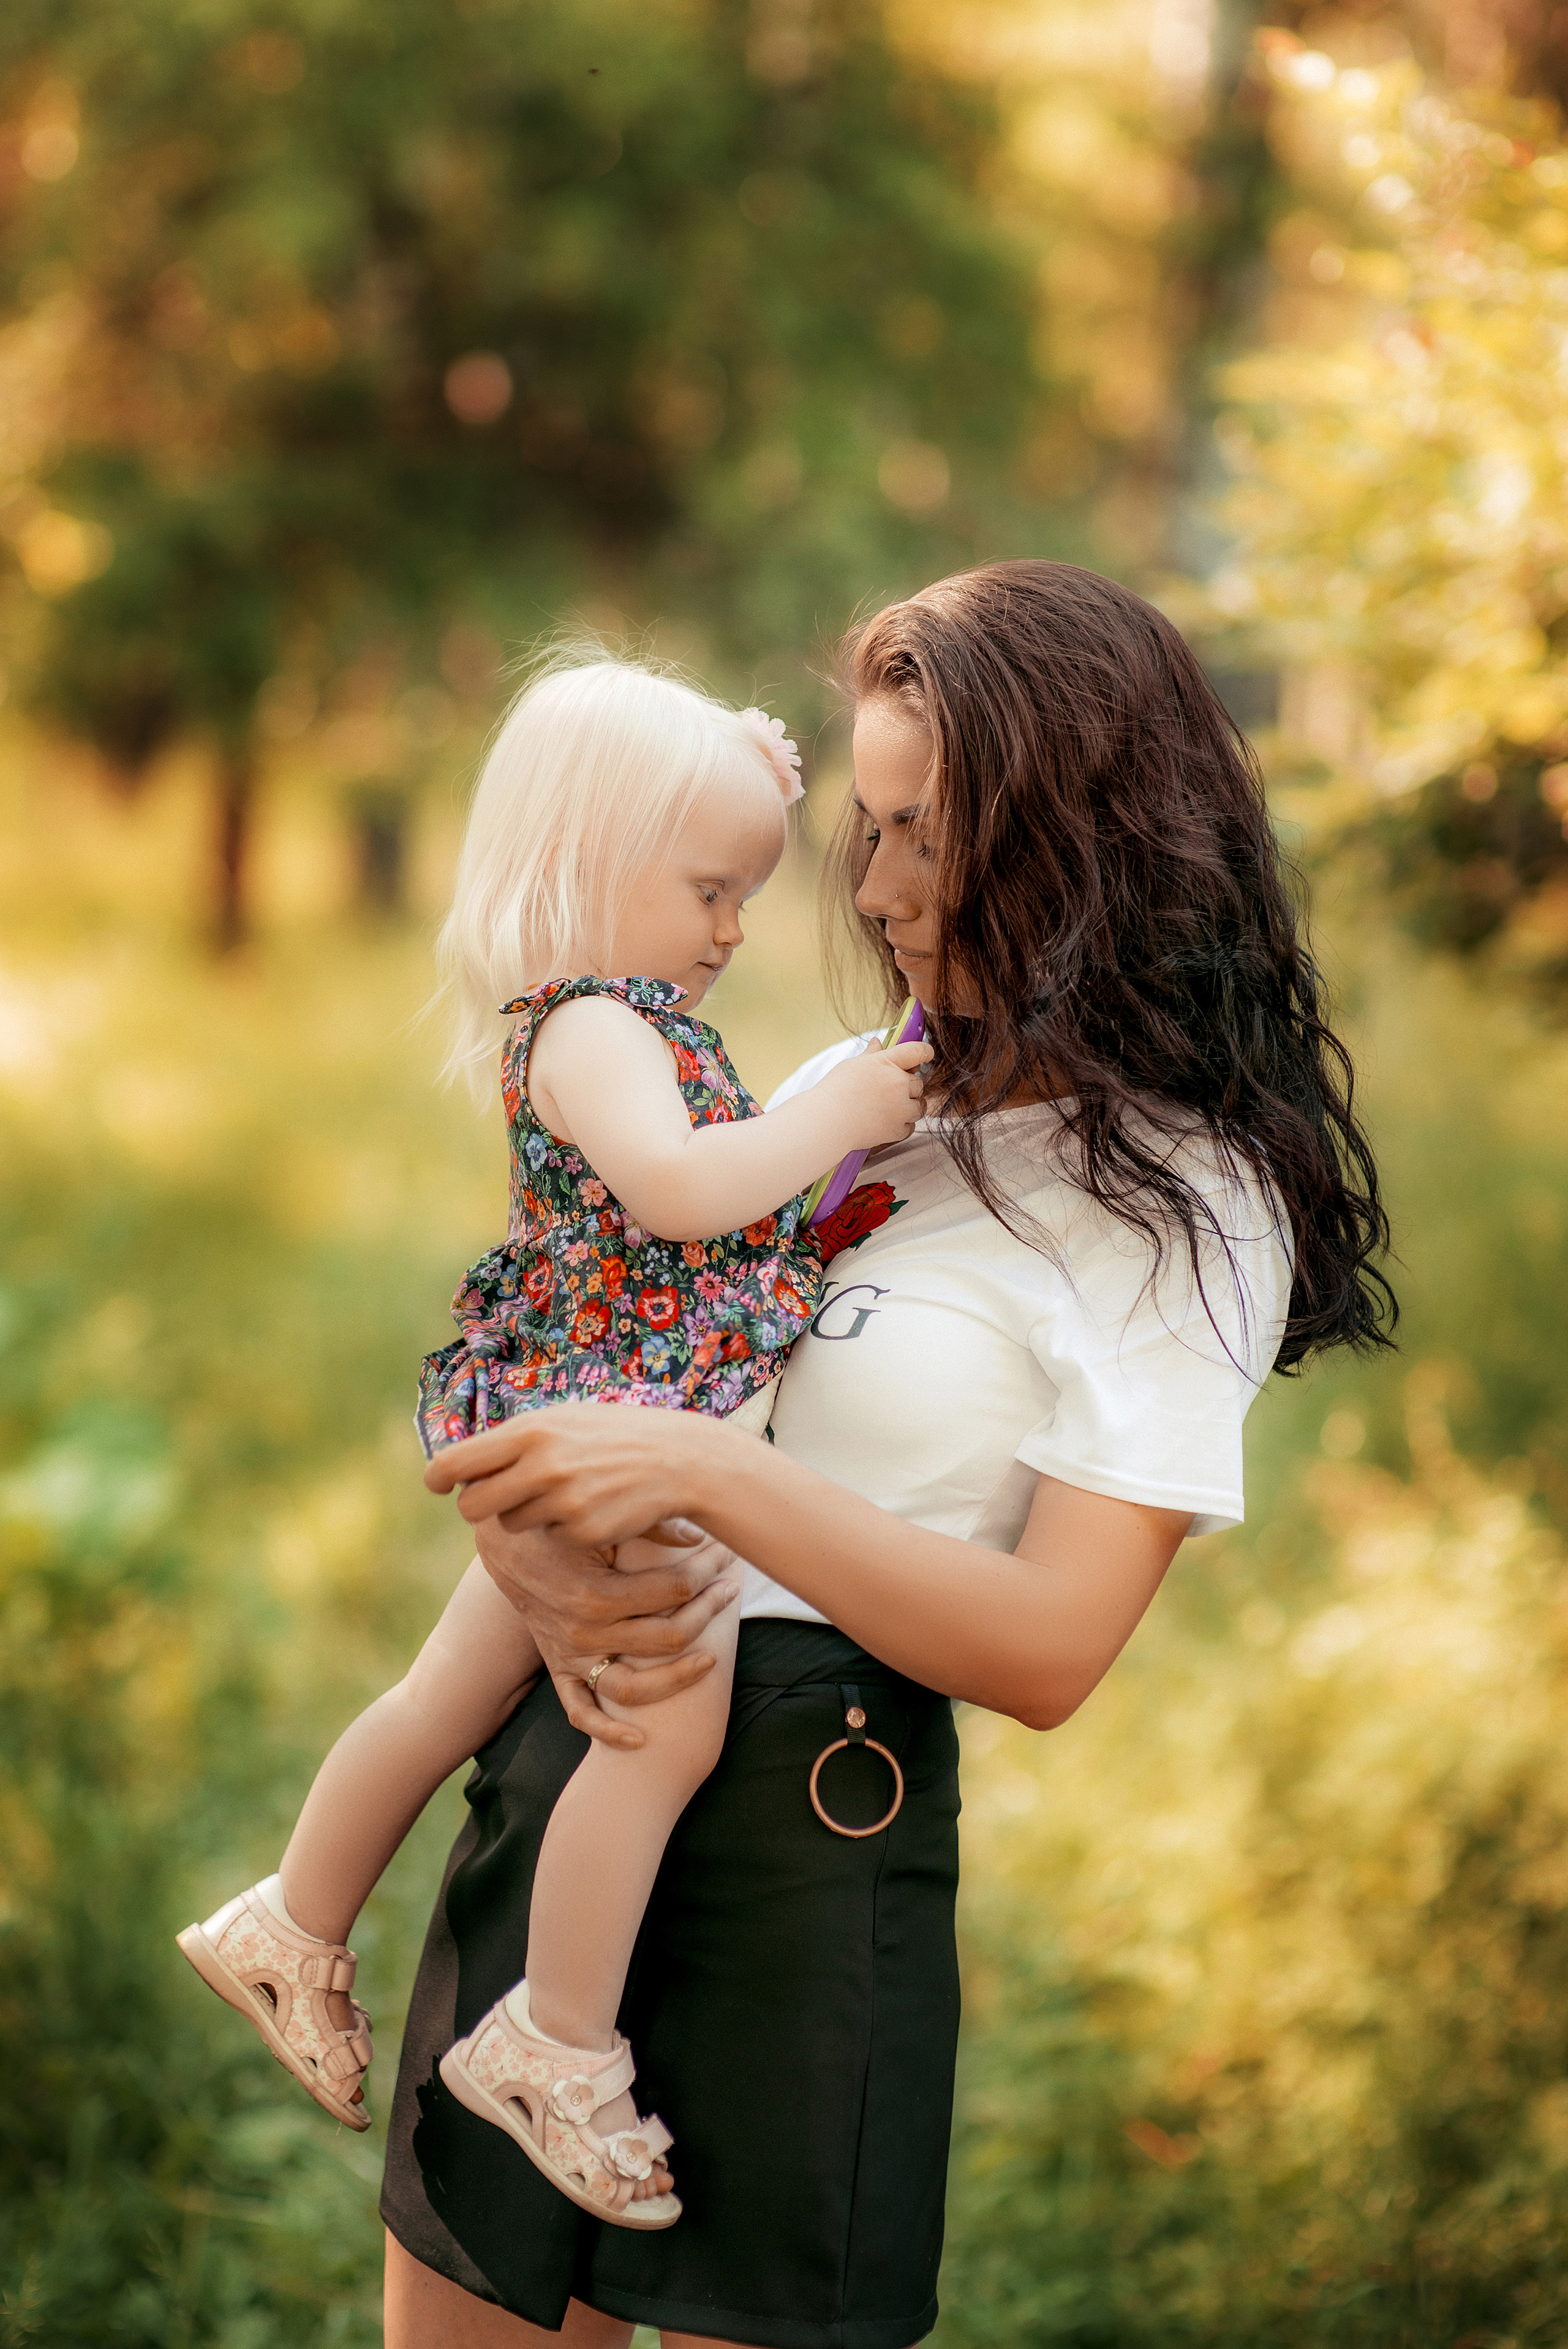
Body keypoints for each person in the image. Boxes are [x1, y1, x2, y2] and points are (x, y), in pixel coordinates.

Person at [383, 559, 1395, 2349]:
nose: (881, 888)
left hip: (804, 1839)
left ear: (1088, 834)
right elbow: (600, 1333)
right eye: (869, 826)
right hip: (582, 1786)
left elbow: (1049, 1649)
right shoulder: (877, 1081)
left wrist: (707, 1479)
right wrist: (531, 1522)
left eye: (933, 832)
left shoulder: (1182, 1199)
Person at [175, 657, 931, 2229]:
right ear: (587, 864)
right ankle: (552, 2041)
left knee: (448, 1693)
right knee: (661, 1732)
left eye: (746, 896)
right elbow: (674, 1191)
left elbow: (706, 1224)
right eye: (709, 889)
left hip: (593, 1407)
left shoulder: (620, 1019)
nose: (733, 928)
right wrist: (835, 1110)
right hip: (621, 1436)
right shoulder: (592, 1026)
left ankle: (292, 1918)